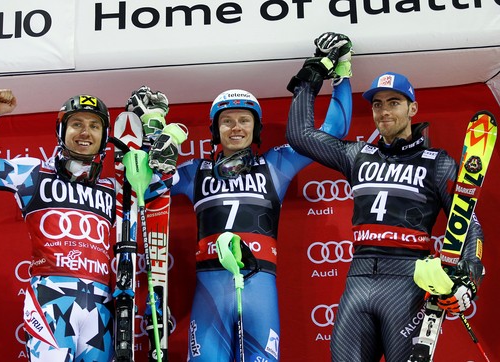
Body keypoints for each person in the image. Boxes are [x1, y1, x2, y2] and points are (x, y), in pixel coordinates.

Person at [150, 32, 352, 362]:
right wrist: (155, 141)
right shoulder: (194, 171)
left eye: (244, 120)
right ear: (215, 130)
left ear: (255, 129)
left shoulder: (277, 164)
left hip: (259, 286)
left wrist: (341, 72)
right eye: (226, 121)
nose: (236, 128)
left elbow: (334, 131)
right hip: (209, 291)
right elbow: (145, 191)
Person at [0, 89, 177, 361]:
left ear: (105, 137)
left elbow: (162, 185)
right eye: (77, 124)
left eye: (95, 126)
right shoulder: (33, 175)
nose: (86, 132)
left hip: (101, 306)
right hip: (50, 299)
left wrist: (157, 134)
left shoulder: (114, 189)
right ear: (61, 130)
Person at [286, 62, 485, 360]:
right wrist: (312, 74)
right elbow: (300, 135)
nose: (384, 111)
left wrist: (469, 277)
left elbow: (467, 223)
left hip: (407, 283)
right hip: (359, 278)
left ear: (412, 108)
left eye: (394, 102)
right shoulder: (356, 155)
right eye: (378, 104)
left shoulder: (437, 162)